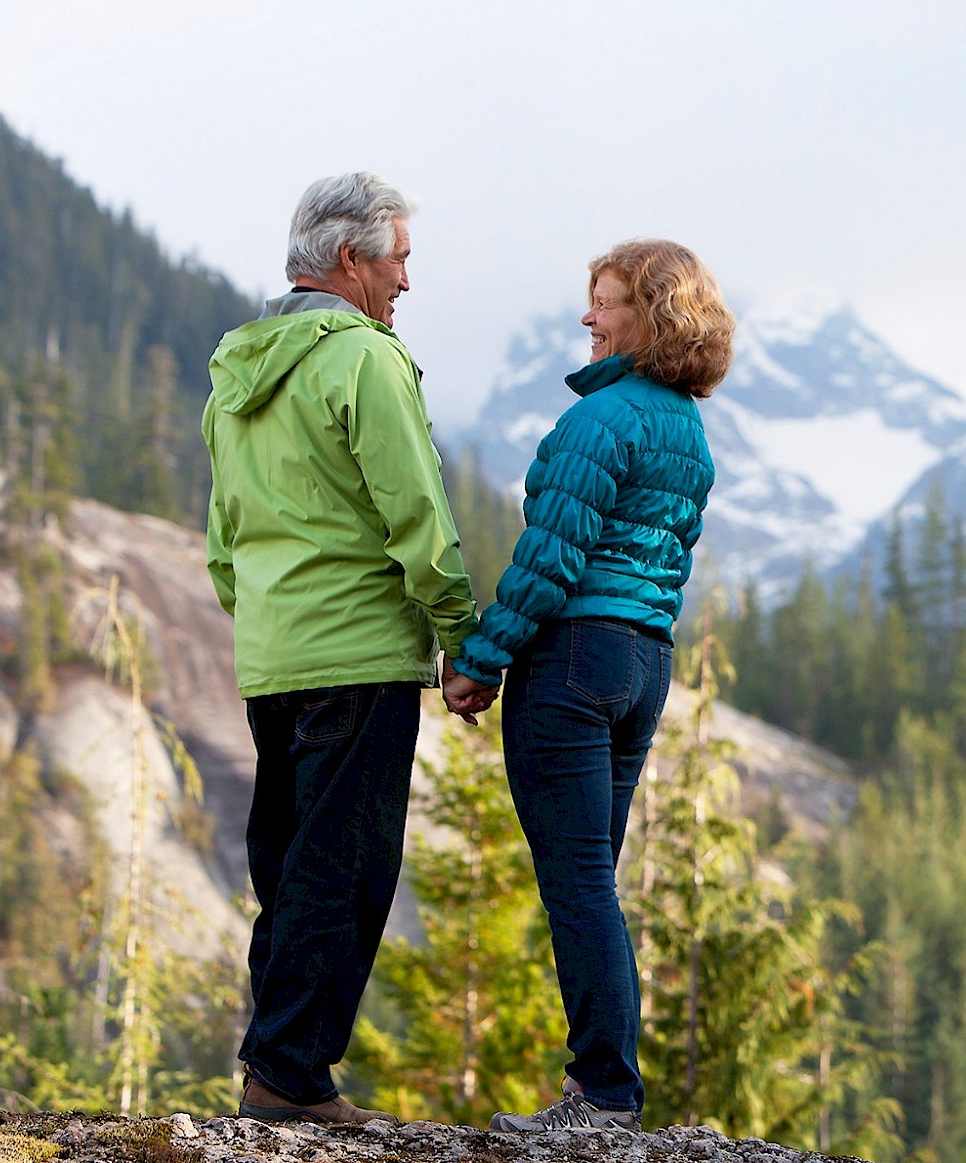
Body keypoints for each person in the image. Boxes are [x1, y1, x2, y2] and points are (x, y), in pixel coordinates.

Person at [204, 172, 478, 1124]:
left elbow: (221, 543)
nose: (407, 281)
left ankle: (274, 1068)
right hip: (360, 653)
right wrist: (459, 634)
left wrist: (269, 624)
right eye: (399, 259)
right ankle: (288, 1077)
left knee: (286, 864)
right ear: (352, 260)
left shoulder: (235, 372)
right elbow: (418, 516)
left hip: (274, 657)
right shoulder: (364, 360)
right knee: (344, 865)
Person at [444, 239, 731, 1131]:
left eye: (604, 302)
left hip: (572, 660)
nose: (588, 318)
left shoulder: (598, 423)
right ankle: (605, 1088)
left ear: (651, 315)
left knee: (577, 882)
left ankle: (602, 1092)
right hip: (645, 662)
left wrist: (483, 657)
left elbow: (553, 554)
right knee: (593, 880)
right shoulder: (686, 426)